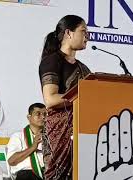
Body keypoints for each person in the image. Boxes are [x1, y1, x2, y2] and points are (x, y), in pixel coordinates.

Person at [38, 15, 91, 180]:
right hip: (59, 133)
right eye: (83, 31)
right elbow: (51, 99)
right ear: (68, 33)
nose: (87, 36)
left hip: (83, 132)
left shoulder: (84, 68)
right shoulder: (52, 61)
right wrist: (82, 96)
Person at [7, 103, 46, 180]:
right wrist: (33, 147)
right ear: (29, 117)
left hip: (48, 172)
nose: (43, 117)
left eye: (45, 114)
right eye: (38, 114)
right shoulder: (18, 136)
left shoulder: (51, 135)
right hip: (27, 174)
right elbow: (12, 161)